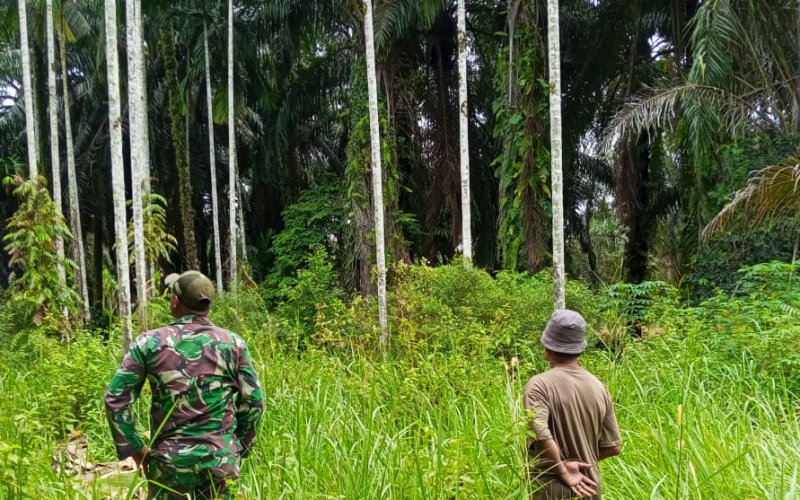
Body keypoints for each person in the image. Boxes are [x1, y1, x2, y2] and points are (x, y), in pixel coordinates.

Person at [105, 271, 265, 500]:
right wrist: (238, 445)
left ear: (175, 301)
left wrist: (135, 448)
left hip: (169, 462)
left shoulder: (150, 343)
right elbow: (254, 401)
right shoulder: (233, 343)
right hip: (220, 457)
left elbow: (115, 399)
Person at [524, 310, 622, 499]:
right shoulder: (598, 386)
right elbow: (614, 447)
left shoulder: (539, 385)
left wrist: (562, 469)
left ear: (547, 347)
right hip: (589, 487)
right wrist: (581, 460)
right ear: (580, 348)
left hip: (551, 489)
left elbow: (542, 434)